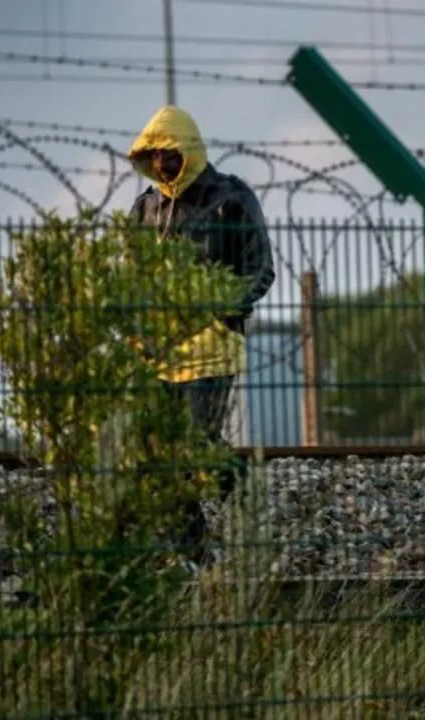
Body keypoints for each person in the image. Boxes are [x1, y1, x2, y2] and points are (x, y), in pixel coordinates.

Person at [126, 105, 276, 564]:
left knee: (194, 447)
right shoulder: (145, 208)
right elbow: (131, 278)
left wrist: (220, 312)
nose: (161, 164)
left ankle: (240, 484)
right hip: (158, 351)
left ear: (187, 150)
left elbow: (261, 268)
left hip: (211, 348)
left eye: (168, 154)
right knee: (155, 455)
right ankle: (195, 557)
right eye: (152, 156)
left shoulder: (230, 199)